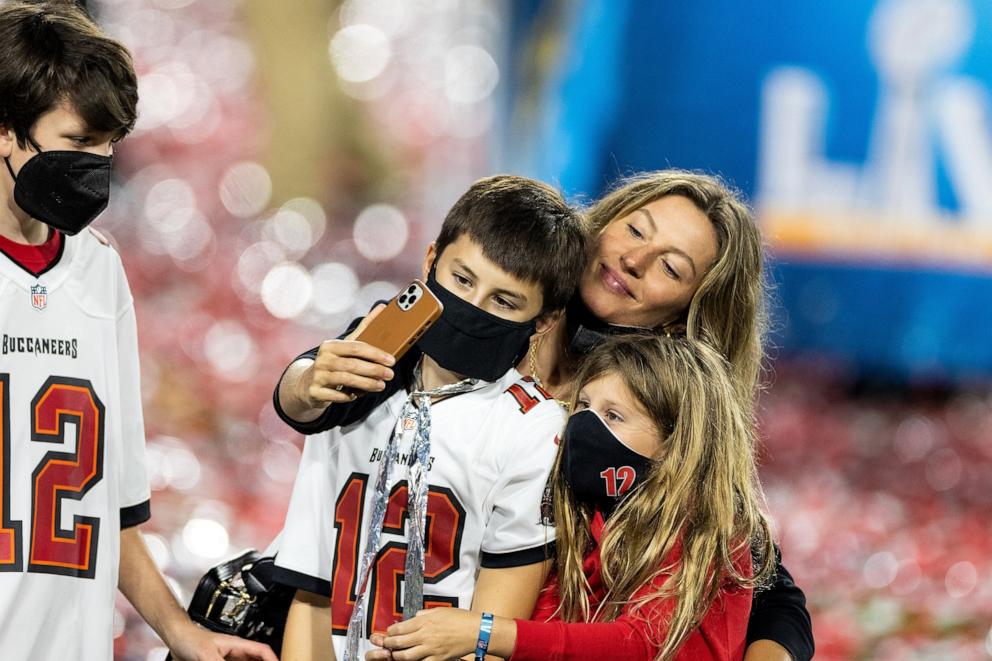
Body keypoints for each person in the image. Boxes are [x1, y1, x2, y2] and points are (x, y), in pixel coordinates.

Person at [277, 170, 814, 661]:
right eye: (634, 230)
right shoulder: (466, 319)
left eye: (670, 267)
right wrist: (304, 380)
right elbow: (322, 391)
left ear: (685, 314)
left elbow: (761, 582)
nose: (635, 259)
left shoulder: (656, 425)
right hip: (347, 610)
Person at [0, 3, 276, 660]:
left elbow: (107, 506)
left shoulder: (99, 272)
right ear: (5, 131)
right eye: (77, 141)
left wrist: (182, 631)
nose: (97, 163)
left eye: (108, 143)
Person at [271, 175, 587, 660]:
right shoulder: (359, 373)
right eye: (461, 279)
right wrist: (303, 379)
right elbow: (313, 589)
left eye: (503, 300)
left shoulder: (533, 427)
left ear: (543, 321)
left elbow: (494, 630)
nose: (472, 306)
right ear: (430, 260)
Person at [367, 334, 776, 660]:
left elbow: (640, 644)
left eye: (613, 415)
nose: (584, 424)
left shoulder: (709, 530)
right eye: (582, 405)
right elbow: (546, 638)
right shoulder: (581, 518)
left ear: (678, 441)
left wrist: (483, 632)